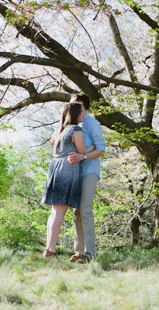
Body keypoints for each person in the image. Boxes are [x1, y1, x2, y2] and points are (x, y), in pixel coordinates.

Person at [41, 102, 89, 259]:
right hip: (67, 171)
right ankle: (51, 251)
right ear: (75, 114)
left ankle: (49, 248)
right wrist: (95, 148)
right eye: (81, 112)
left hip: (55, 169)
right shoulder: (76, 130)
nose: (84, 114)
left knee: (54, 211)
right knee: (60, 212)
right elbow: (81, 152)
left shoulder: (59, 131)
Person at [66, 93, 105, 263]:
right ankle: (79, 252)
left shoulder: (92, 123)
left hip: (89, 170)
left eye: (72, 103)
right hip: (75, 171)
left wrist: (83, 157)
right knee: (77, 212)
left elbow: (101, 149)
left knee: (86, 210)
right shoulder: (73, 123)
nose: (69, 106)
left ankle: (90, 254)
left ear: (81, 104)